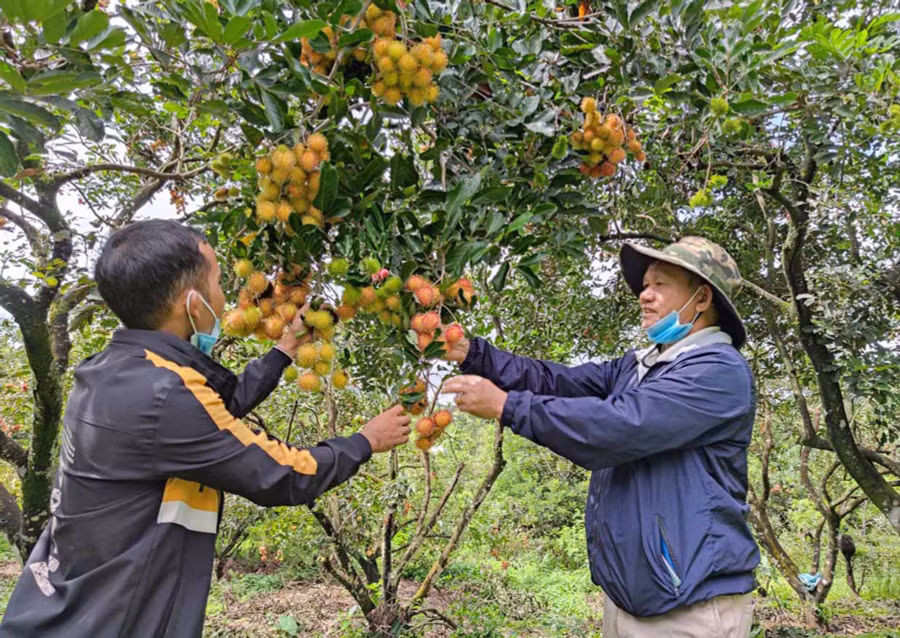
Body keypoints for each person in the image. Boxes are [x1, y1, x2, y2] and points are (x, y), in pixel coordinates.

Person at [0, 220, 410, 638]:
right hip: (107, 623)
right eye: (216, 281)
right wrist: (365, 441)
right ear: (194, 304)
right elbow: (283, 474)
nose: (225, 295)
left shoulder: (113, 371)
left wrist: (285, 348)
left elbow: (209, 418)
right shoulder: (164, 396)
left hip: (61, 611)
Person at [444, 236, 759, 637]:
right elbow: (555, 381)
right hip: (632, 596)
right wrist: (471, 352)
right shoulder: (638, 367)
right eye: (644, 285)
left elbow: (620, 426)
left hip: (691, 605)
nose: (644, 296)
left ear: (700, 299)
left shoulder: (718, 371)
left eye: (660, 285)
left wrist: (507, 406)